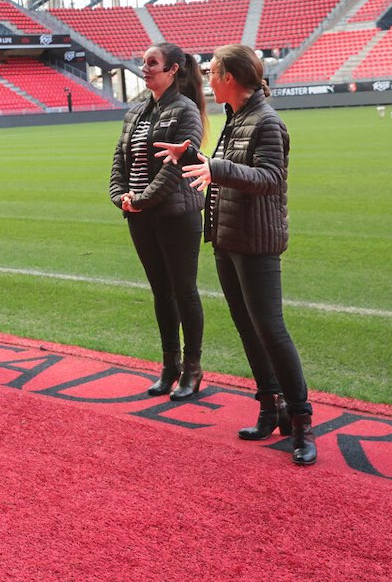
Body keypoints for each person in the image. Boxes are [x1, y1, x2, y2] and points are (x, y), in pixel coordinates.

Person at [159, 43, 316, 466]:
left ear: (230, 78)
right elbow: (227, 166)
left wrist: (216, 168)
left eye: (213, 72)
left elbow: (268, 177)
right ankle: (270, 408)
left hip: (257, 240)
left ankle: (301, 421)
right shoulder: (237, 118)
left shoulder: (266, 121)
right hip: (228, 238)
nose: (207, 80)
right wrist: (194, 158)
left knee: (271, 328)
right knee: (249, 328)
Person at [110, 43, 208, 401]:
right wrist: (121, 196)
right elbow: (119, 162)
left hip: (176, 215)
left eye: (153, 63)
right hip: (139, 215)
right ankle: (170, 366)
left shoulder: (186, 111)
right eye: (144, 63)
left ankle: (193, 369)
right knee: (160, 292)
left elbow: (175, 169)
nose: (145, 68)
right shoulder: (135, 112)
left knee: (184, 291)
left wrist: (140, 200)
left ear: (173, 70)